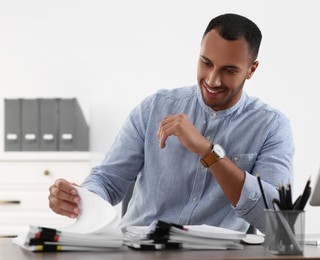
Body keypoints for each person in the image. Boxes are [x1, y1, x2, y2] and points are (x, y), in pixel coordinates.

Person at [48, 13, 294, 233]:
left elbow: (277, 222)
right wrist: (79, 199)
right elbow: (108, 181)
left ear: (251, 69)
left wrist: (208, 152)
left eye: (229, 70)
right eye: (206, 63)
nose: (212, 80)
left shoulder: (271, 126)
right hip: (140, 252)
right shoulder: (154, 107)